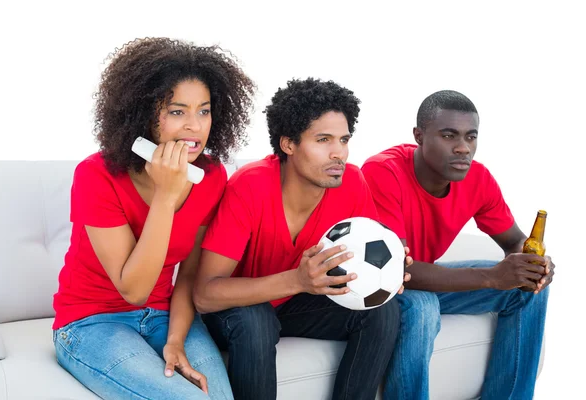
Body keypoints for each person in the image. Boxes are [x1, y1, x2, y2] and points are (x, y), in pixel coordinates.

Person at [52, 37, 255, 400]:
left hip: (164, 317)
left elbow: (189, 275)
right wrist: (166, 195)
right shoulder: (95, 175)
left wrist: (176, 340)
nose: (195, 126)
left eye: (204, 111)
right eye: (177, 112)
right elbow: (133, 289)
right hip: (92, 322)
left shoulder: (209, 177)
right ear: (142, 113)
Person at [193, 77, 410, 400]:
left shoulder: (351, 182)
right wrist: (297, 280)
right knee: (256, 319)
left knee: (383, 310)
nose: (339, 153)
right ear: (288, 144)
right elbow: (205, 295)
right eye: (323, 140)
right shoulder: (249, 187)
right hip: (238, 309)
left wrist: (386, 275)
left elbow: (361, 257)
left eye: (344, 139)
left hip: (296, 305)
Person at [361, 89, 555, 400]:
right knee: (421, 307)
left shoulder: (478, 180)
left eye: (471, 137)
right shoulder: (383, 172)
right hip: (378, 287)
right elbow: (395, 271)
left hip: (423, 279)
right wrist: (492, 277)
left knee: (528, 289)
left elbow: (515, 241)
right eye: (449, 136)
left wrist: (530, 266)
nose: (463, 148)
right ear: (420, 136)